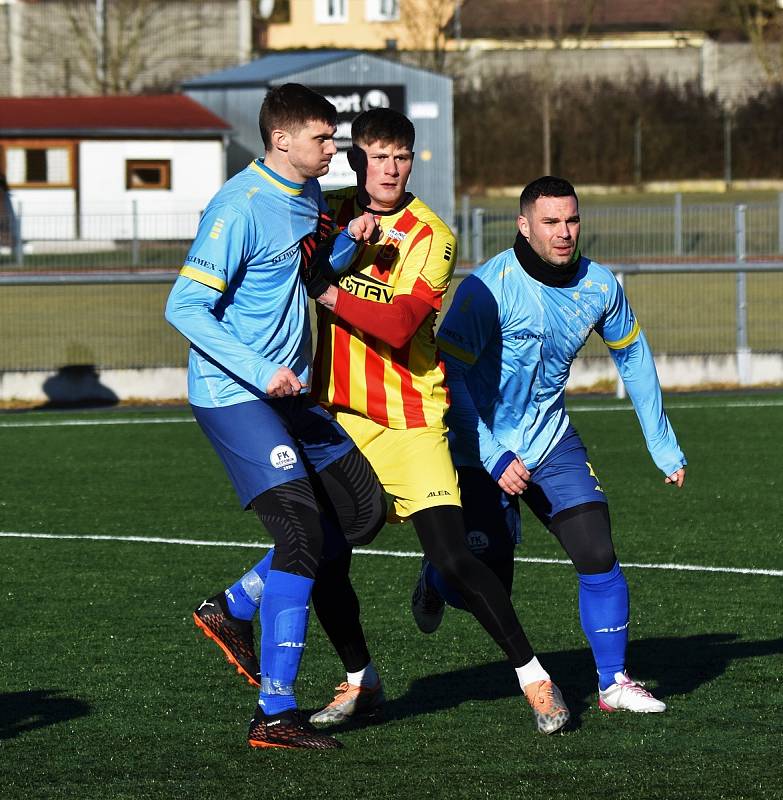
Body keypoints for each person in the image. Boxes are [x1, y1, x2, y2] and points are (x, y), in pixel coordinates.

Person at [202, 109, 571, 737]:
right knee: (323, 554)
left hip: (409, 421)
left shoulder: (432, 234)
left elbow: (401, 327)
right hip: (334, 418)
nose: (391, 168)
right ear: (356, 161)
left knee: (453, 559)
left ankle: (535, 678)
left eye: (401, 155)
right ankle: (359, 679)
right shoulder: (327, 212)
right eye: (378, 155)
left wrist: (325, 290)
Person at [164, 83, 387, 751]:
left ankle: (233, 606)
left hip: (287, 395)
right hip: (235, 394)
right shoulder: (240, 207)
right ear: (282, 141)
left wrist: (347, 244)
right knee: (301, 535)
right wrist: (260, 370)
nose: (333, 148)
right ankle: (275, 715)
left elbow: (304, 272)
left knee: (361, 511)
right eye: (323, 138)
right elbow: (182, 307)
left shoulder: (307, 194)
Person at [427, 175, 686, 713]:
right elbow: (447, 375)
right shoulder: (486, 289)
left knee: (597, 551)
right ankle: (437, 576)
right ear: (524, 225)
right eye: (550, 222)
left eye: (571, 220)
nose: (564, 232)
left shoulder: (599, 285)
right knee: (481, 582)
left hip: (551, 442)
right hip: (479, 448)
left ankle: (613, 682)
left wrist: (662, 444)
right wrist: (493, 455)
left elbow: (633, 358)